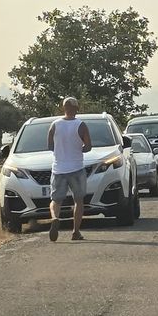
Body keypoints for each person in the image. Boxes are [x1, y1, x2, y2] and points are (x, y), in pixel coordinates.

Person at [46, 96, 93, 242]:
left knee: (55, 200)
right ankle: (76, 231)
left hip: (58, 168)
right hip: (76, 168)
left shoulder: (54, 125)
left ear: (63, 108)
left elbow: (50, 146)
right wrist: (79, 149)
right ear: (76, 109)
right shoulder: (81, 125)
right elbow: (88, 147)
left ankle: (55, 218)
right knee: (78, 200)